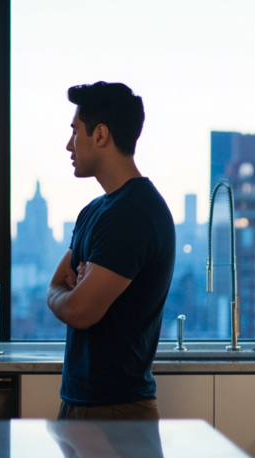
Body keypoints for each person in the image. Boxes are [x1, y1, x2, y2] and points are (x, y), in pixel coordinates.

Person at [46, 82, 176, 421]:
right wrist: (65, 293)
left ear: (101, 134)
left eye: (75, 132)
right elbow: (57, 286)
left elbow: (79, 312)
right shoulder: (95, 211)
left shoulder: (132, 213)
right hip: (80, 402)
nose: (68, 144)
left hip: (116, 409)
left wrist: (66, 296)